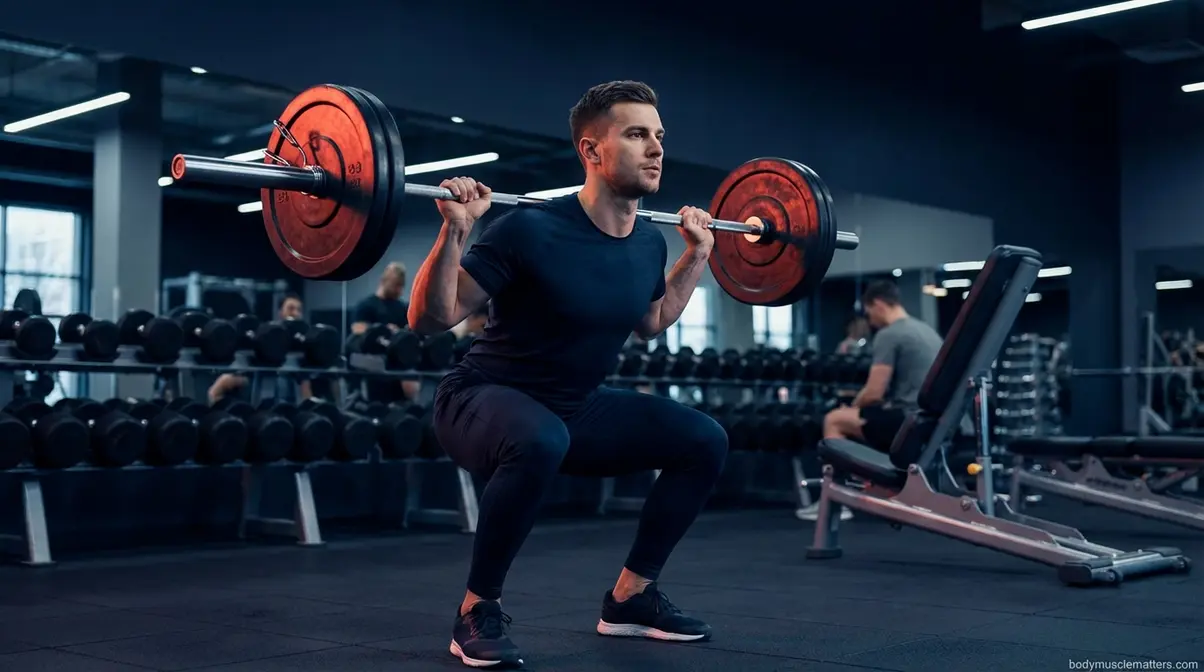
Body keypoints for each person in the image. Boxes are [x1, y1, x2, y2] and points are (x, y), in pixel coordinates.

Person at [408, 80, 728, 668]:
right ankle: (475, 609)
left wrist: (697, 256)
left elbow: (652, 321)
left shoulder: (647, 244)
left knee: (703, 438)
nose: (656, 148)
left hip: (572, 407)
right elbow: (431, 317)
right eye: (637, 135)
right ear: (591, 151)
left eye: (659, 136)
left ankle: (630, 599)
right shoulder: (530, 229)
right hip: (479, 399)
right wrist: (455, 229)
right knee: (540, 436)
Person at [208, 292, 316, 404]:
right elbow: (216, 390)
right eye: (290, 308)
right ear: (280, 312)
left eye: (299, 310)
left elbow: (305, 389)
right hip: (257, 384)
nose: (295, 313)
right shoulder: (265, 335)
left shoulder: (300, 347)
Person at [351, 263, 420, 402]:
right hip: (374, 366)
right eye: (396, 285)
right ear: (384, 281)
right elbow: (358, 331)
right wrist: (386, 331)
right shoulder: (366, 306)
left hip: (399, 366)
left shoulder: (403, 308)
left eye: (401, 285)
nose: (399, 290)